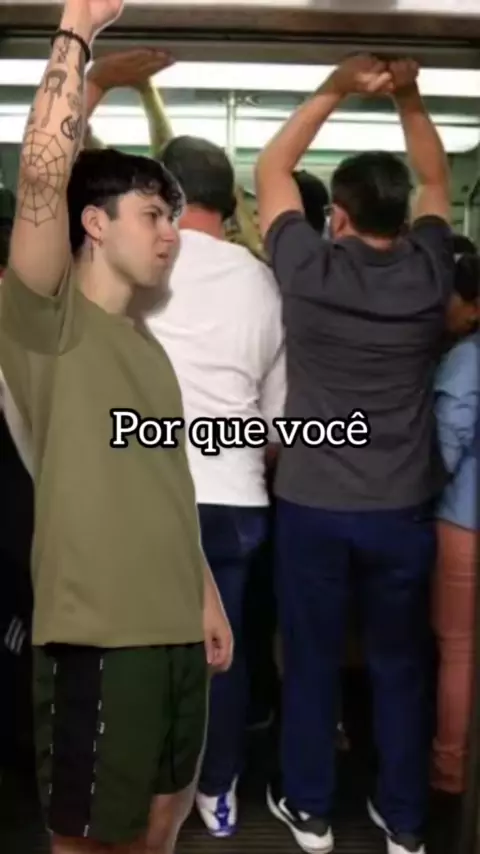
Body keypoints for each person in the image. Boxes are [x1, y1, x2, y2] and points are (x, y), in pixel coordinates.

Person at [0, 3, 233, 854]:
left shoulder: (148, 348)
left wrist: (203, 592)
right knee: (90, 842)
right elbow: (41, 178)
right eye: (152, 214)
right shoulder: (46, 323)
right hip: (99, 640)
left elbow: (162, 484)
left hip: (174, 633)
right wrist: (78, 29)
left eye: (175, 217)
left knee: (162, 824)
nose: (172, 234)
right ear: (95, 224)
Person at [255, 53, 454, 854]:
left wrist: (335, 88)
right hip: (401, 509)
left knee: (310, 658)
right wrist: (409, 96)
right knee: (400, 663)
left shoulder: (306, 271)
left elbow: (273, 168)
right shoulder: (431, 273)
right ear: (404, 217)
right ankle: (404, 823)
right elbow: (437, 179)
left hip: (312, 503)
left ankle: (309, 810)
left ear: (335, 216)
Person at [143, 134, 286, 837]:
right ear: (228, 201)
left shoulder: (139, 267)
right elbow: (278, 418)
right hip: (235, 497)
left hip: (146, 493)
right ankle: (217, 789)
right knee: (221, 652)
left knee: (140, 651)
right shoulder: (263, 281)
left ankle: (143, 794)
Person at [432, 240, 479, 795]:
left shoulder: (467, 358)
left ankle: (450, 769)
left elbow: (446, 447)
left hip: (464, 522)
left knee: (459, 651)